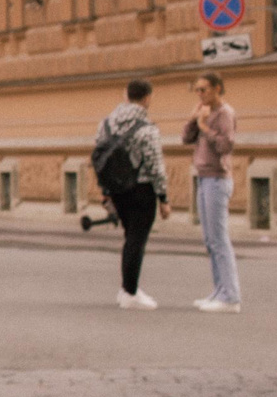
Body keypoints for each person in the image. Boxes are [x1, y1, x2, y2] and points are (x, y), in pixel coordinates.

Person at [94, 79, 170, 309]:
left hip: (117, 189)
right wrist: (164, 198)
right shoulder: (146, 128)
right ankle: (130, 292)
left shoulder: (106, 124)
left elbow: (99, 157)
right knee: (137, 239)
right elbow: (156, 165)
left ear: (125, 95)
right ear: (147, 98)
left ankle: (127, 287)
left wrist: (105, 190)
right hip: (141, 189)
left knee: (130, 238)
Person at [183, 73, 241, 312]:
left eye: (204, 89)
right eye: (197, 90)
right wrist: (193, 120)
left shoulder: (225, 113)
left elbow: (226, 145)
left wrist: (205, 127)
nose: (200, 94)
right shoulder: (204, 112)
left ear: (217, 89)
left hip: (218, 179)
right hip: (204, 178)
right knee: (209, 239)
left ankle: (230, 297)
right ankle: (219, 291)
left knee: (219, 239)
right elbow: (186, 139)